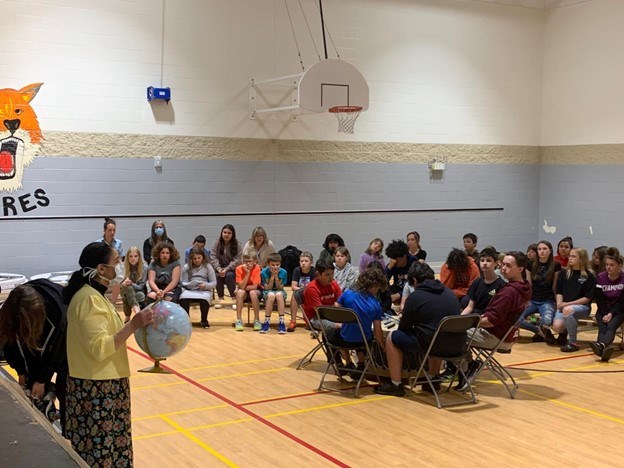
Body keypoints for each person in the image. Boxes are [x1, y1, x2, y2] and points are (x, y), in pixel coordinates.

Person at [62, 241, 153, 467]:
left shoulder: (96, 295)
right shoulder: (89, 299)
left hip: (107, 383)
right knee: (101, 456)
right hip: (97, 389)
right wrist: (133, 325)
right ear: (101, 269)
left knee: (114, 453)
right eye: (116, 261)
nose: (120, 265)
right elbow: (100, 348)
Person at [374, 262, 462, 397]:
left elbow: (404, 328)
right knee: (436, 332)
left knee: (393, 337)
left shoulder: (416, 296)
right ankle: (433, 378)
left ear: (414, 281)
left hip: (434, 346)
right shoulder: (449, 293)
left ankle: (396, 384)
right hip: (457, 346)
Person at [0, 279, 68, 436]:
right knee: (30, 384)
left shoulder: (56, 312)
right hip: (34, 322)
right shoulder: (9, 312)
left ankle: (64, 431)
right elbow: (11, 343)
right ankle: (38, 415)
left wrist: (42, 379)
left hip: (65, 346)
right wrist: (21, 372)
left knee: (64, 386)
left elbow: (56, 350)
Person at [456, 251, 532, 391]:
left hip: (496, 336)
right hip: (507, 335)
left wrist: (468, 322)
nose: (503, 268)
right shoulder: (524, 286)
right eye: (503, 264)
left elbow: (491, 321)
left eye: (508, 266)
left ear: (520, 269)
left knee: (451, 333)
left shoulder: (508, 292)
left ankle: (468, 367)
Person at [327, 268, 387, 376]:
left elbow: (337, 311)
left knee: (329, 334)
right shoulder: (376, 305)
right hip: (364, 341)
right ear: (376, 285)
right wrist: (383, 347)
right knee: (364, 334)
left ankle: (344, 364)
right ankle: (361, 364)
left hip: (345, 339)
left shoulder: (348, 294)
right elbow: (378, 334)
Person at [554, 247, 596, 352]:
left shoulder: (589, 275)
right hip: (564, 306)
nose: (570, 258)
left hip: (582, 307)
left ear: (581, 259)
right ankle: (567, 327)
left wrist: (568, 304)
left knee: (568, 310)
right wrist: (559, 303)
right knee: (557, 327)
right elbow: (559, 291)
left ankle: (573, 342)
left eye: (573, 256)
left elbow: (587, 298)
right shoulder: (564, 273)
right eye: (570, 256)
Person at [519, 240, 561, 342]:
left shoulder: (556, 265)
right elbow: (528, 285)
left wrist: (557, 303)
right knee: (515, 319)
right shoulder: (530, 264)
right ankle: (537, 330)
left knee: (547, 321)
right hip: (532, 299)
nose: (542, 251)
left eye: (545, 249)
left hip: (547, 300)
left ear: (550, 251)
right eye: (539, 249)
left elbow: (555, 287)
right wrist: (526, 300)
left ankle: (544, 331)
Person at [590, 247, 624, 362]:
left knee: (611, 326)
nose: (608, 267)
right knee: (602, 327)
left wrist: (612, 313)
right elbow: (599, 298)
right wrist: (605, 313)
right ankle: (603, 349)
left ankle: (601, 346)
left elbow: (622, 301)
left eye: (612, 265)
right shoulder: (601, 277)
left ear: (619, 266)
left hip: (619, 309)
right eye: (607, 264)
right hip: (604, 308)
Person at [461, 246, 507, 315]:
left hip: (489, 319)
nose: (484, 263)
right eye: (482, 260)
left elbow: (497, 312)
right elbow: (470, 307)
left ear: (496, 263)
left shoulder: (502, 285)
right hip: (474, 317)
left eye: (488, 260)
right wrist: (460, 318)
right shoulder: (477, 282)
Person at [179, 247, 217, 329]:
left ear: (203, 257)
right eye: (194, 258)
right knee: (183, 298)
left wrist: (205, 285)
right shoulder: (186, 267)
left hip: (204, 289)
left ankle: (204, 320)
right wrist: (190, 284)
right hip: (190, 289)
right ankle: (186, 320)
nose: (197, 260)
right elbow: (183, 282)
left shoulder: (208, 267)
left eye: (199, 258)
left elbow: (214, 282)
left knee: (204, 299)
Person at [302, 259, 342, 333]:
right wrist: (335, 306)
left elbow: (341, 302)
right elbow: (320, 312)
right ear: (318, 274)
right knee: (340, 327)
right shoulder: (312, 289)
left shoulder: (334, 283)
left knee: (352, 324)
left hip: (331, 314)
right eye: (327, 275)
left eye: (332, 274)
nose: (331, 277)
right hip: (315, 318)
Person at [210, 224, 242, 304]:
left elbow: (237, 260)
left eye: (229, 233)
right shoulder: (217, 243)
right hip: (219, 268)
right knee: (217, 276)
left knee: (229, 275)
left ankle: (233, 297)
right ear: (221, 233)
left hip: (232, 269)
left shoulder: (237, 244)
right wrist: (218, 268)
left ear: (232, 234)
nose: (226, 234)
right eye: (224, 232)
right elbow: (213, 256)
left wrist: (226, 269)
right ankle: (221, 298)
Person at [259, 253, 288, 334]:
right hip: (268, 291)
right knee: (271, 295)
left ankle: (281, 322)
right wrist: (272, 277)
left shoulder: (283, 272)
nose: (275, 267)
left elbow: (280, 288)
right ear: (268, 264)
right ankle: (266, 322)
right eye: (272, 265)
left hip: (279, 291)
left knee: (279, 294)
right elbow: (267, 288)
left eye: (277, 265)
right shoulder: (263, 272)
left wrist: (276, 277)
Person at [97, 217, 124, 305]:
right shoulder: (98, 243)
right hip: (103, 267)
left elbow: (121, 257)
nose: (112, 232)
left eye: (114, 230)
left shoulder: (119, 243)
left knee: (118, 280)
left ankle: (113, 303)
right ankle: (102, 302)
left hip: (115, 267)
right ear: (104, 231)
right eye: (109, 230)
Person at [287, 252, 316, 332]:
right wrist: (303, 290)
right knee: (294, 296)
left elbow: (314, 287)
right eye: (301, 261)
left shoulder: (314, 271)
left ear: (311, 262)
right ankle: (293, 321)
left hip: (310, 293)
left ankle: (309, 319)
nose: (303, 263)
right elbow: (293, 286)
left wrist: (306, 291)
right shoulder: (296, 270)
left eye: (306, 261)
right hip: (300, 292)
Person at [234, 252, 262, 331]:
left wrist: (240, 287)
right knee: (240, 293)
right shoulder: (239, 269)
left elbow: (255, 286)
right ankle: (239, 320)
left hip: (255, 292)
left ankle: (257, 320)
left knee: (252, 292)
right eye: (246, 261)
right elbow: (241, 287)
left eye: (250, 261)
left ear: (255, 262)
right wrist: (247, 274)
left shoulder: (257, 268)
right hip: (245, 293)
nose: (248, 264)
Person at [120, 245, 148, 323]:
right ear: (127, 258)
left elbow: (141, 286)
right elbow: (119, 284)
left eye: (135, 256)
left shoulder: (144, 267)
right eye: (130, 256)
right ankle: (136, 310)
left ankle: (128, 315)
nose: (133, 259)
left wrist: (132, 284)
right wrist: (124, 283)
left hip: (138, 290)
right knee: (127, 288)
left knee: (128, 294)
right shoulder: (123, 267)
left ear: (139, 257)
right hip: (125, 289)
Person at [384, 239, 415, 303]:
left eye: (395, 259)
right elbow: (383, 281)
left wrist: (399, 295)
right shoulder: (392, 264)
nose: (394, 261)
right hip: (396, 292)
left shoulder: (414, 263)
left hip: (410, 295)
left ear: (403, 256)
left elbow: (415, 286)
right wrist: (389, 267)